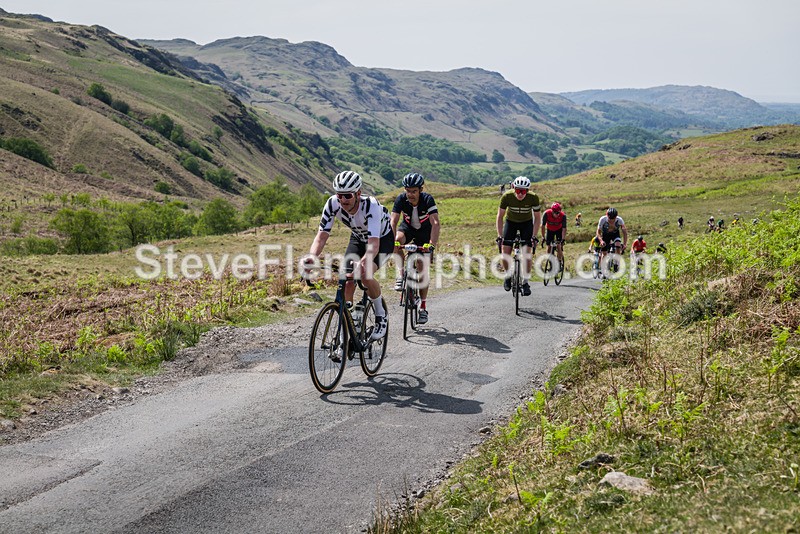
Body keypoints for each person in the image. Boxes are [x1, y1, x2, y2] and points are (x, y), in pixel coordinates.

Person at [306, 170, 394, 340]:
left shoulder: (371, 206)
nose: (343, 200)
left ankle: (381, 315)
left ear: (358, 194)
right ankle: (350, 322)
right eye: (339, 195)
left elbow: (374, 245)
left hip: (382, 239)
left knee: (365, 275)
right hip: (358, 238)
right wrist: (311, 257)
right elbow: (321, 237)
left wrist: (364, 262)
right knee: (347, 281)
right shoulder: (332, 204)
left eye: (347, 195)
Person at [390, 172, 440, 325]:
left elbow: (435, 223)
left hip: (424, 233)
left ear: (420, 190)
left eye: (414, 191)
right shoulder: (401, 199)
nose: (410, 194)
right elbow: (393, 221)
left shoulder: (427, 199)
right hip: (408, 229)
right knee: (396, 241)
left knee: (422, 268)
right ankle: (401, 275)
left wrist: (431, 244)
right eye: (408, 191)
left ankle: (423, 307)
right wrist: (391, 241)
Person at [496, 176, 541, 296]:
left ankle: (525, 282)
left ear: (528, 190)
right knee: (505, 252)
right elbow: (500, 216)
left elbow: (537, 218)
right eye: (518, 190)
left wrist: (534, 236)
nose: (520, 194)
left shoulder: (533, 198)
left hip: (526, 224)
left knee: (527, 254)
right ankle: (507, 276)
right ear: (513, 188)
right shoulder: (507, 196)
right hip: (511, 223)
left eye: (523, 191)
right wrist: (500, 235)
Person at [541, 202, 567, 270]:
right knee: (549, 247)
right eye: (556, 213)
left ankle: (559, 263)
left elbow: (564, 229)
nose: (557, 214)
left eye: (558, 213)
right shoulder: (546, 214)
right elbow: (543, 226)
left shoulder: (563, 216)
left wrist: (563, 239)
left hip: (559, 230)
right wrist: (543, 237)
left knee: (558, 245)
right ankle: (551, 264)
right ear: (552, 211)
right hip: (550, 230)